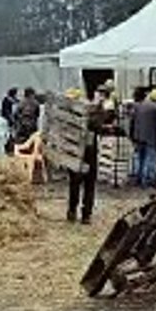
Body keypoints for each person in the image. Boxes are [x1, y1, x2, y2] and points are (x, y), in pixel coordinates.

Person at [65, 88, 116, 224]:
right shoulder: (88, 113)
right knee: (89, 184)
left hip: (73, 153)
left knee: (74, 184)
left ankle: (72, 212)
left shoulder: (65, 116)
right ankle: (86, 215)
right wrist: (101, 108)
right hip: (88, 153)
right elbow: (97, 125)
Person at [132, 88, 156, 187]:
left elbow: (133, 121)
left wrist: (133, 135)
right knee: (150, 158)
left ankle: (137, 178)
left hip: (138, 136)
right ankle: (147, 180)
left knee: (139, 158)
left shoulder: (139, 106)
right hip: (151, 137)